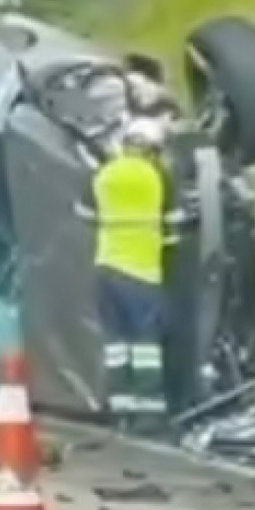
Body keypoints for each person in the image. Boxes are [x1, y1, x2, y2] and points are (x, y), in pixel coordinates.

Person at [77, 117, 170, 432]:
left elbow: (83, 212)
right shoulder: (157, 177)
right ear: (153, 149)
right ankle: (149, 415)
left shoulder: (104, 174)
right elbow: (176, 218)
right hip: (143, 272)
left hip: (107, 268)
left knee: (116, 344)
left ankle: (121, 412)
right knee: (146, 345)